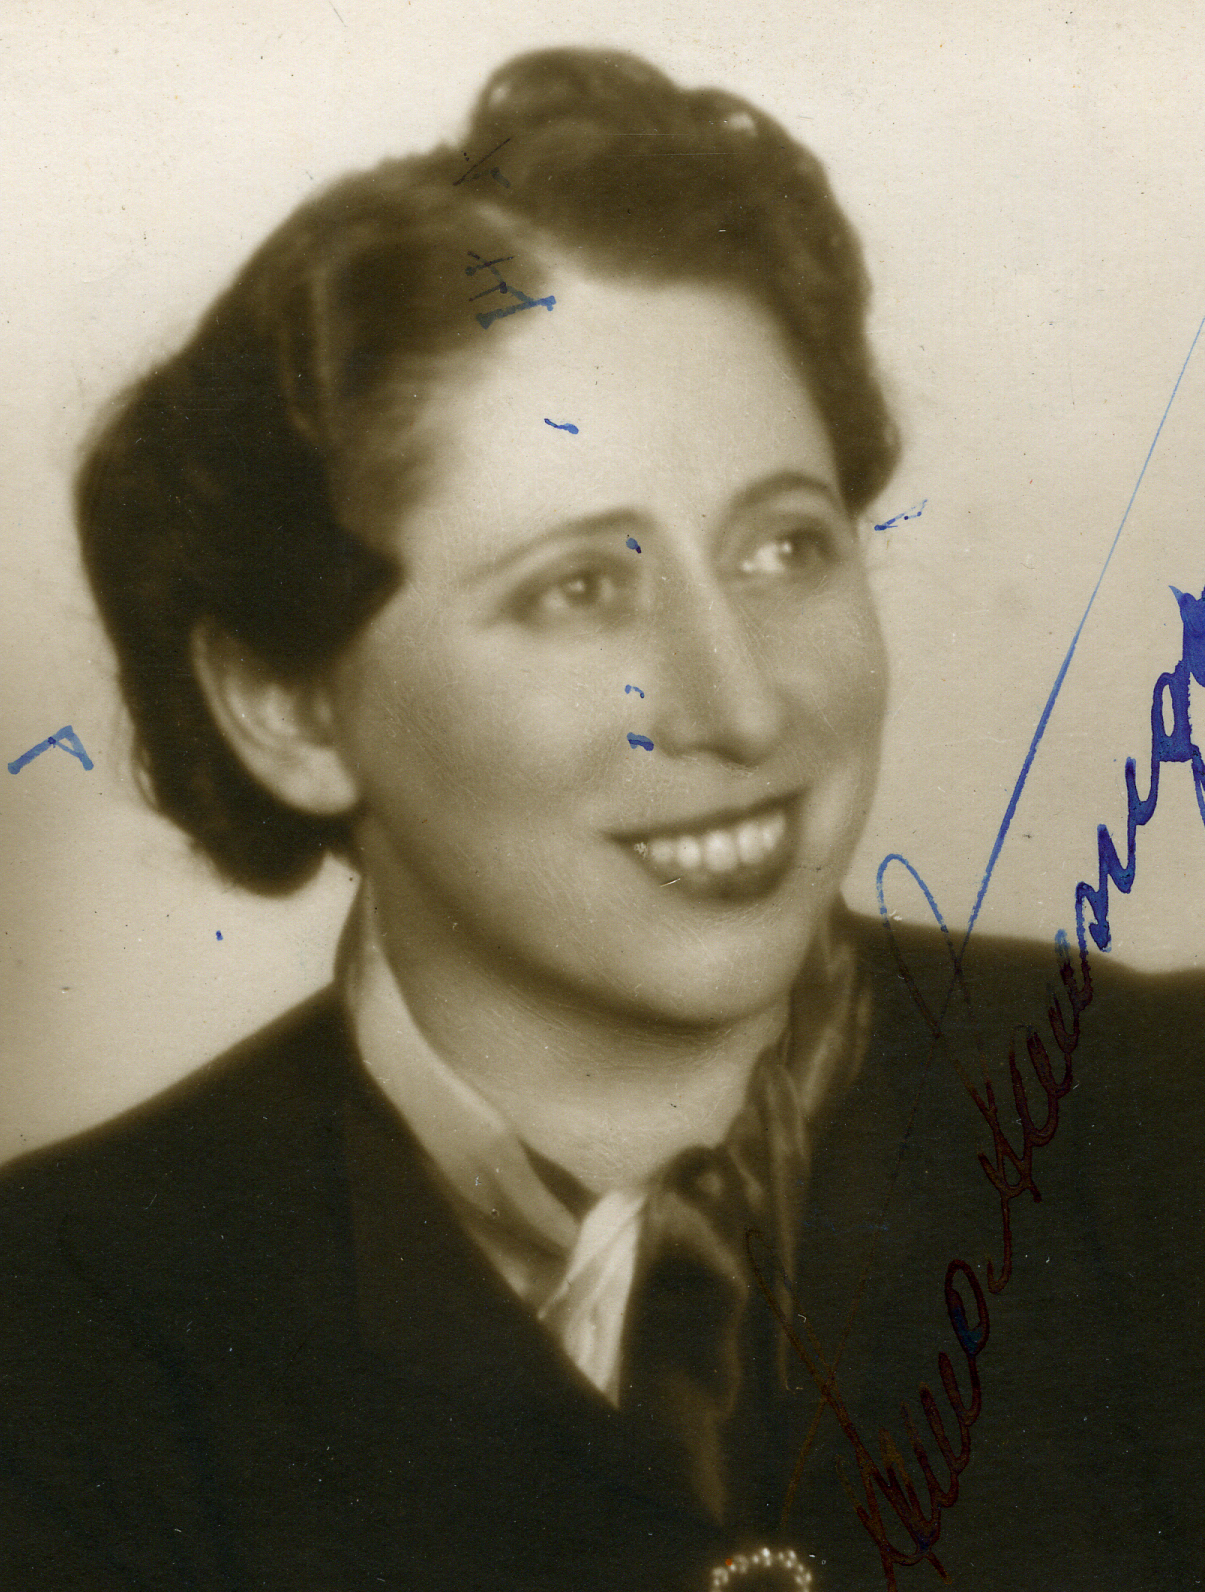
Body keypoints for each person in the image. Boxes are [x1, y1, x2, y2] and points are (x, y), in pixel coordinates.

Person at [0, 47, 1201, 1592]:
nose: (741, 706)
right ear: (286, 708)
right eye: (579, 588)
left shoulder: (1170, 1127)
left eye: (782, 548)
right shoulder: (54, 1339)